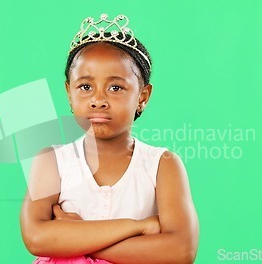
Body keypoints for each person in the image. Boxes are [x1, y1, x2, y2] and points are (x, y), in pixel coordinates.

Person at [20, 13, 199, 264]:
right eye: (85, 87)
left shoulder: (162, 164)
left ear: (142, 96)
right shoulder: (53, 160)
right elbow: (37, 238)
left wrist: (76, 239)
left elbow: (181, 251)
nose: (98, 100)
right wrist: (136, 227)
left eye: (115, 87)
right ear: (69, 93)